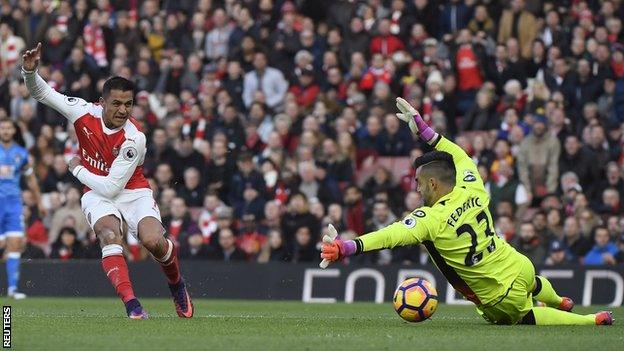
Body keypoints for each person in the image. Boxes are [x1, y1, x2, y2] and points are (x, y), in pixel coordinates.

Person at [320, 97, 613, 326]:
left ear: (433, 183)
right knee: (533, 283)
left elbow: (390, 235)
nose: (418, 190)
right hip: (516, 262)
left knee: (525, 317)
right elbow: (459, 154)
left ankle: (589, 320)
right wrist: (426, 132)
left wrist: (347, 247)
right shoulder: (473, 183)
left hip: (499, 293)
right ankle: (560, 299)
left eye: (420, 184)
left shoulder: (431, 219)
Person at [21, 43, 193, 319]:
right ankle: (132, 305)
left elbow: (112, 186)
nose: (123, 110)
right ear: (102, 103)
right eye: (117, 103)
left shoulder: (134, 138)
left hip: (131, 190)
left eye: (128, 104)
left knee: (153, 241)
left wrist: (76, 169)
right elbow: (43, 93)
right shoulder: (82, 112)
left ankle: (176, 284)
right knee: (109, 236)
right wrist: (30, 73)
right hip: (95, 192)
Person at [0, 119, 42, 299]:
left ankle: (12, 289)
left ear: (13, 130)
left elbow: (31, 179)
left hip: (14, 204)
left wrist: (39, 202)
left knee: (15, 244)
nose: (6, 130)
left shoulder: (21, 153)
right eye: (3, 128)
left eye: (9, 127)